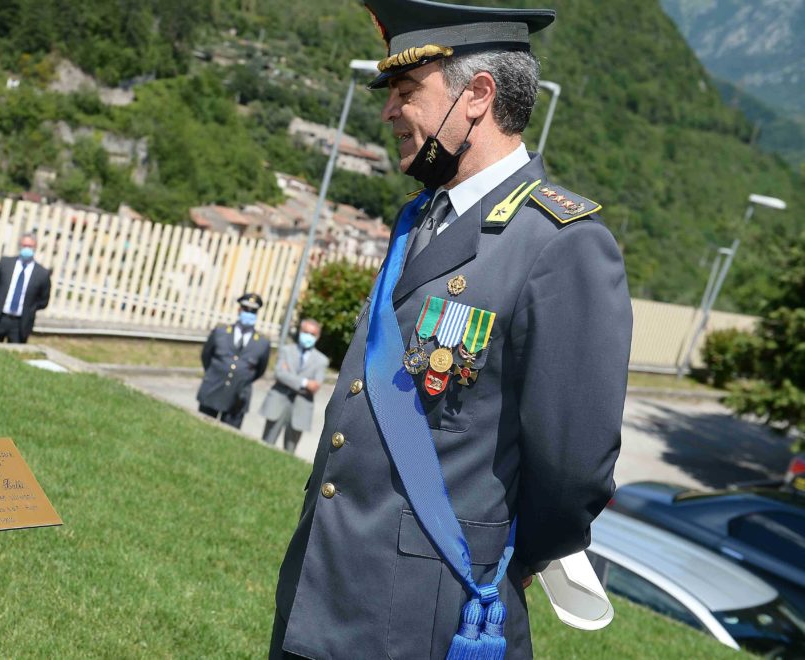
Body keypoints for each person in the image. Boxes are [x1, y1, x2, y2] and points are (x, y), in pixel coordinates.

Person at [269, 2, 632, 659]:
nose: (389, 111)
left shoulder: (560, 244)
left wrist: (503, 553)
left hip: (424, 616)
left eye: (407, 90)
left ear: (478, 96)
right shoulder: (420, 220)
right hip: (324, 591)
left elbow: (572, 472)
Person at [197, 293, 272, 429]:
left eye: (253, 311)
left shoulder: (262, 342)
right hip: (212, 390)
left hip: (238, 399)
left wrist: (241, 377)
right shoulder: (220, 332)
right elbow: (206, 356)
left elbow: (260, 370)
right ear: (239, 310)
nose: (248, 314)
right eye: (246, 309)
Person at [259, 319, 329, 455]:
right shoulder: (286, 350)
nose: (308, 336)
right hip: (278, 402)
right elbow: (279, 374)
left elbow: (315, 386)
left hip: (301, 407)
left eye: (312, 334)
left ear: (318, 337)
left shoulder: (321, 360)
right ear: (300, 332)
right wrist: (305, 383)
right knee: (266, 443)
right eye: (305, 332)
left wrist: (289, 377)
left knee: (290, 450)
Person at [0, 233, 52, 343]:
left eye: (30, 246)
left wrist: (29, 308)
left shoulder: (42, 274)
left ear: (35, 247)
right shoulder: (5, 264)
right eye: (24, 245)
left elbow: (43, 301)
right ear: (19, 246)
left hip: (20, 324)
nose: (27, 249)